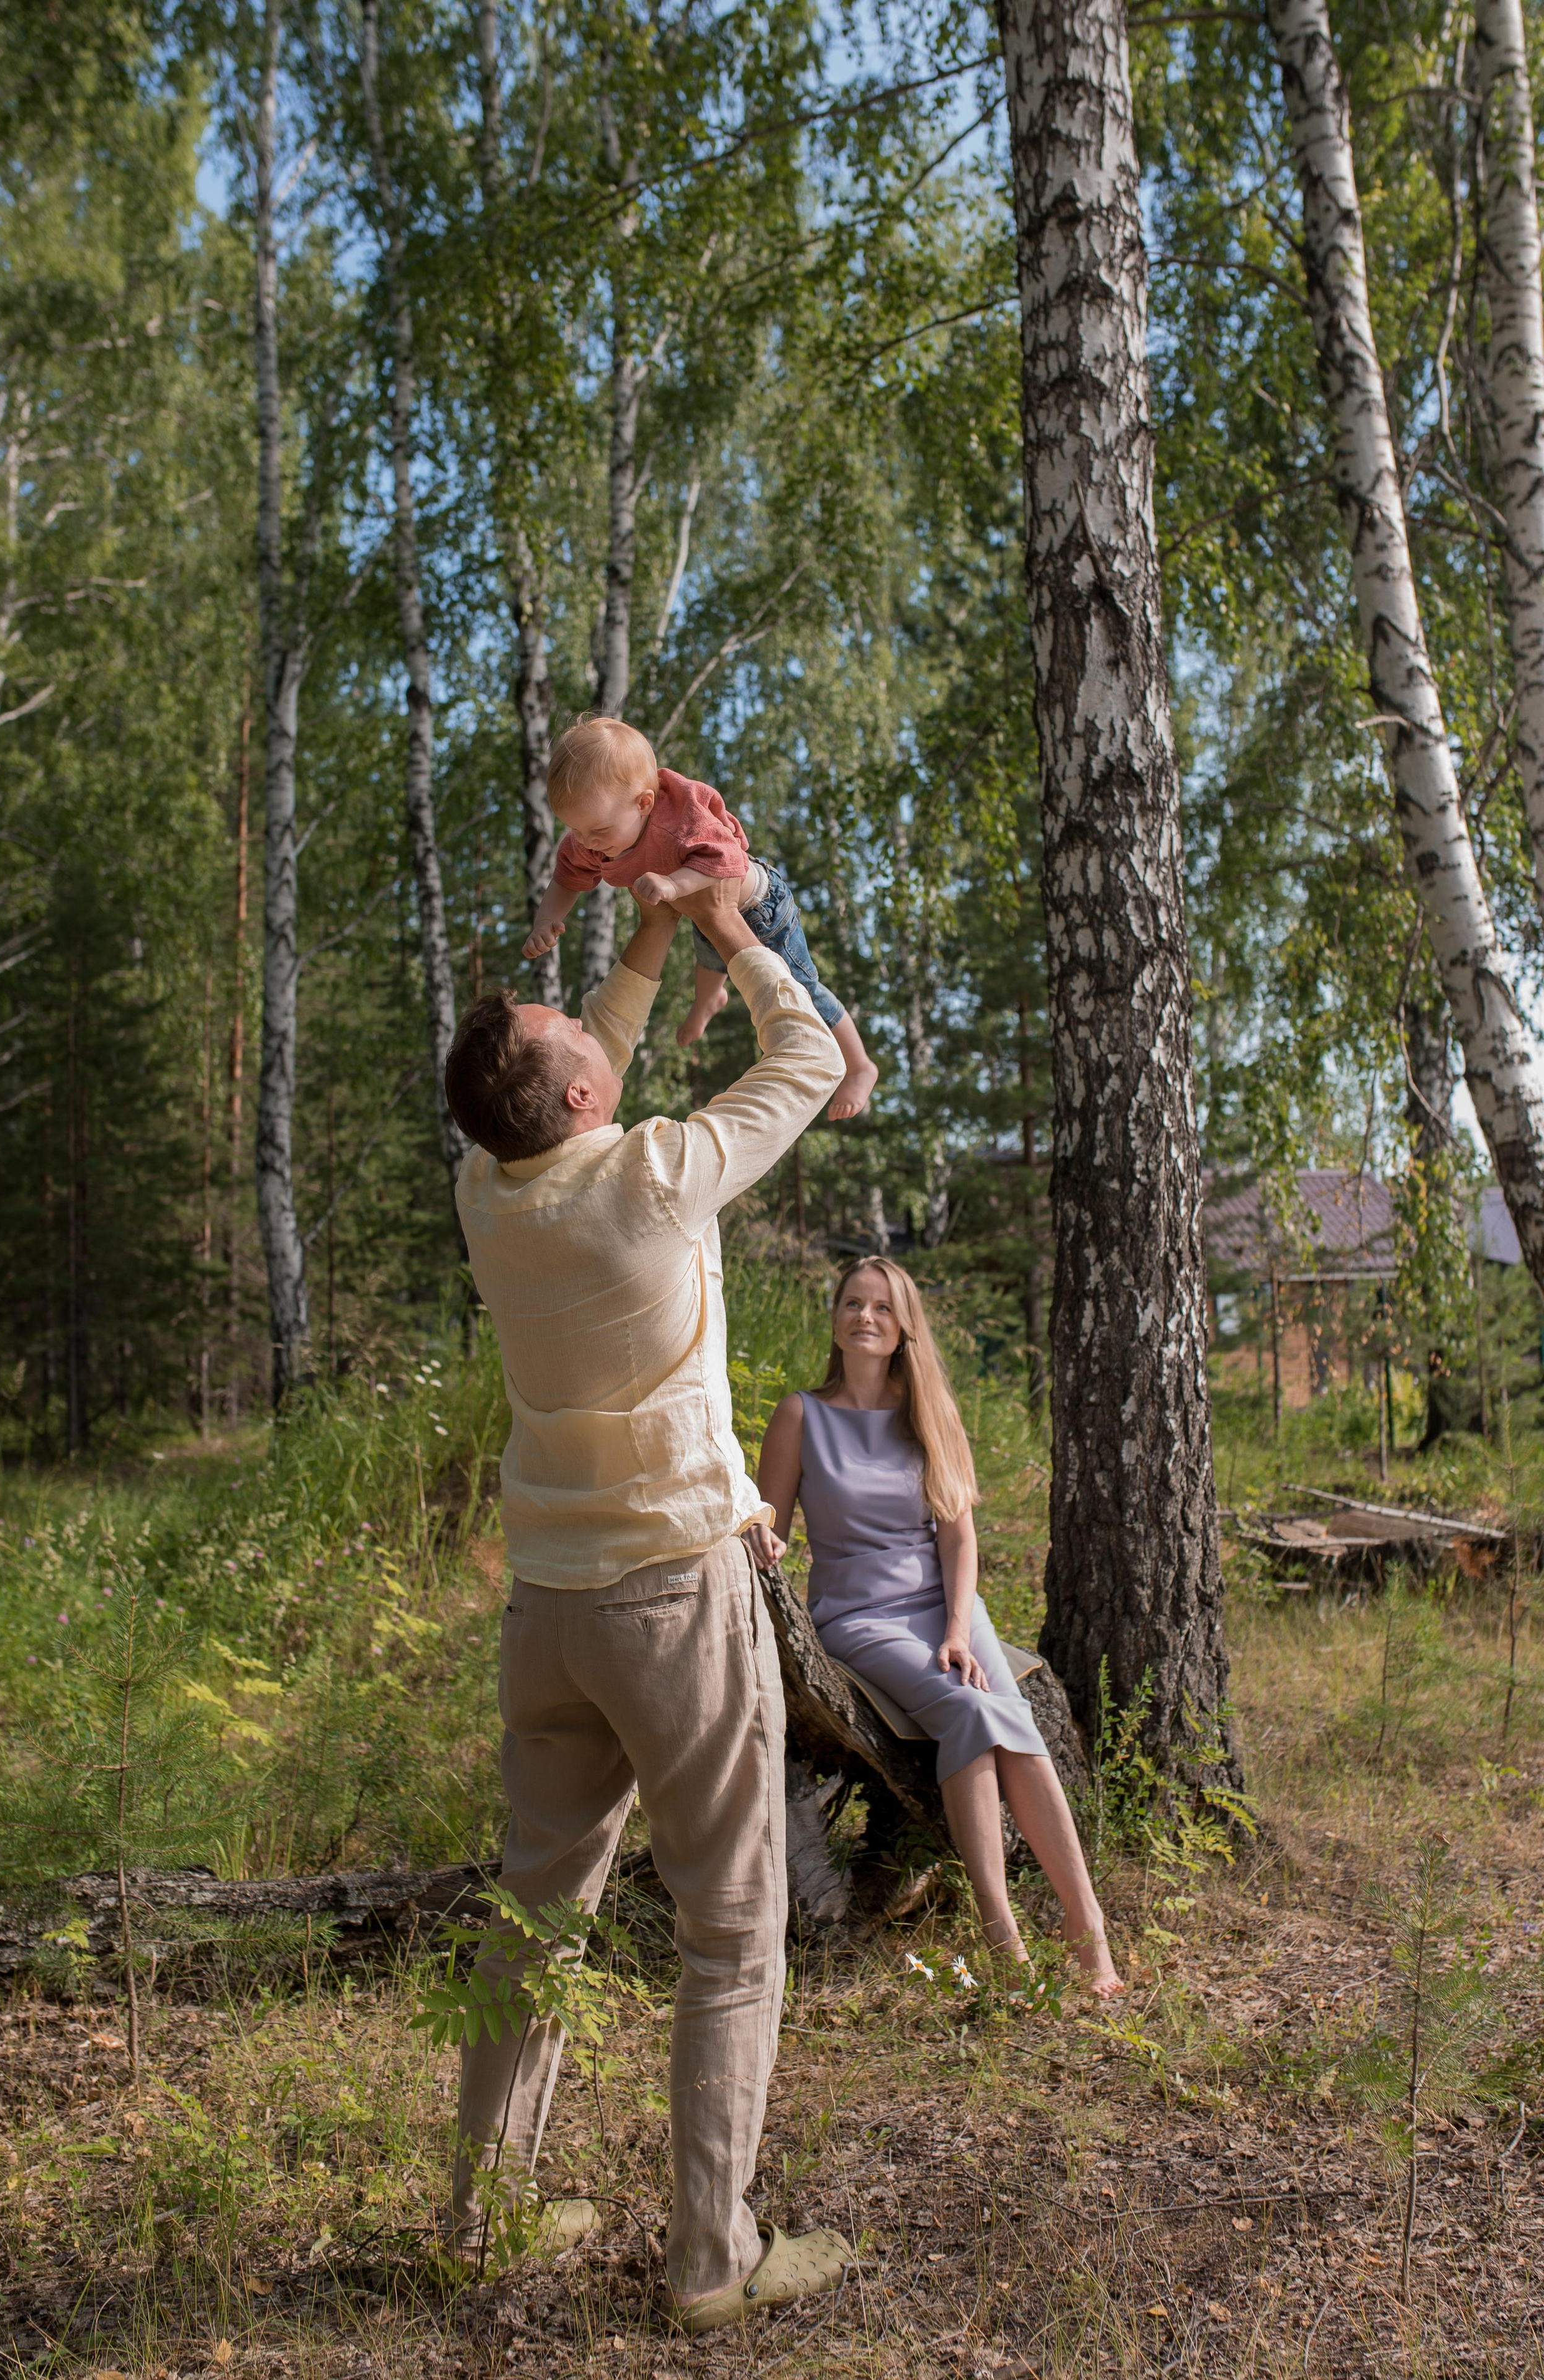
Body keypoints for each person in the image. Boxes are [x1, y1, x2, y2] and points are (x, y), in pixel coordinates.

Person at [443, 875, 852, 2335]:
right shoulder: (648, 1175)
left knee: (535, 1915)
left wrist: (649, 930)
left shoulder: (491, 1182)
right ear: (580, 1091)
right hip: (670, 1595)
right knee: (731, 1925)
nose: (596, 1027)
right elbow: (807, 1060)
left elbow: (577, 1047)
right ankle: (706, 2260)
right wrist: (734, 926)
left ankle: (481, 2211)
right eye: (579, 1034)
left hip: (546, 1604)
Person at [752, 1257, 1123, 1996]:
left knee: (1013, 1721)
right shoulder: (802, 1415)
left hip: (946, 1607)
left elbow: (958, 1537)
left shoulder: (928, 1411)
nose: (864, 1317)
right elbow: (771, 1521)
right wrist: (760, 1535)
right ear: (836, 1318)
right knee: (969, 1710)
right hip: (858, 1616)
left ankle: (1090, 1934)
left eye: (881, 1309)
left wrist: (958, 1629)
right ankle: (1003, 1938)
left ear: (902, 1329)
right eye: (851, 1304)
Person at [522, 714, 878, 1120]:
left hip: (760, 906)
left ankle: (860, 1063)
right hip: (705, 911)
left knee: (803, 989)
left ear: (644, 803)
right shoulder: (591, 836)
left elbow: (725, 859)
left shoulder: (682, 820)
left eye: (597, 830)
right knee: (711, 956)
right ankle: (709, 1002)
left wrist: (675, 886)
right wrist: (546, 920)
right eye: (575, 829)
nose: (586, 842)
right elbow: (566, 875)